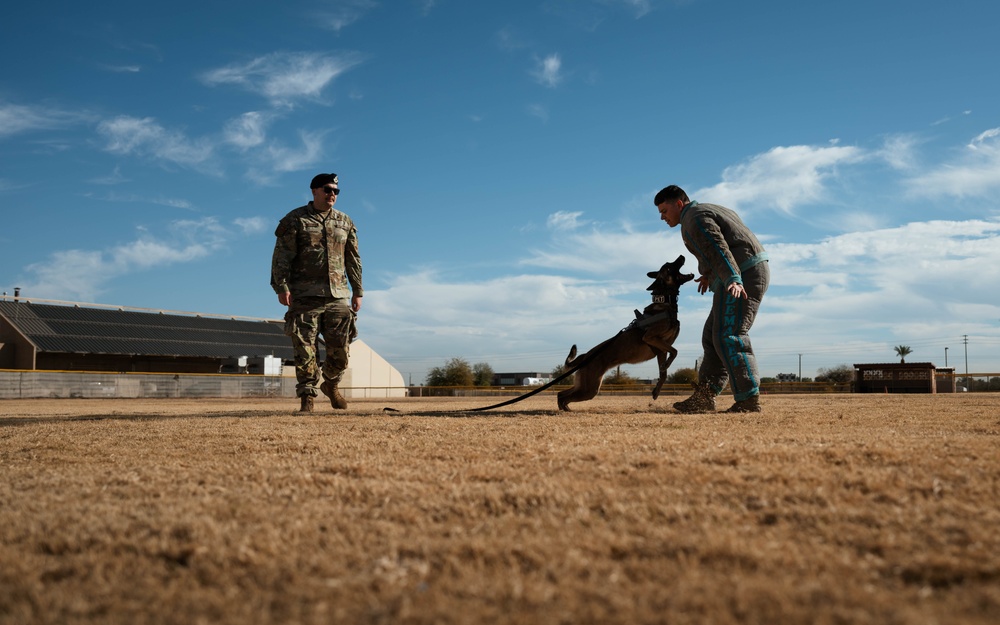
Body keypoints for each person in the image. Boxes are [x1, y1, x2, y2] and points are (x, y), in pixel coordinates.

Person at [654, 185, 769, 413]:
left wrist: (733, 278)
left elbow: (718, 246)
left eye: (664, 210)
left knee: (729, 334)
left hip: (742, 273)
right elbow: (713, 246)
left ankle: (748, 399)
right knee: (712, 337)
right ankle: (704, 396)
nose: (662, 217)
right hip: (741, 271)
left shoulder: (694, 217)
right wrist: (708, 274)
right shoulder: (705, 211)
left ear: (679, 203)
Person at [271, 173, 363, 412]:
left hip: (338, 295)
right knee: (305, 349)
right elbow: (281, 256)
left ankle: (331, 385)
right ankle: (307, 398)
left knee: (341, 350)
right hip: (304, 295)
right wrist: (281, 287)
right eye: (327, 189)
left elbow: (353, 259)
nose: (332, 194)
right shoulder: (295, 220)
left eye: (336, 191)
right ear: (314, 191)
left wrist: (357, 291)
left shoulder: (345, 222)